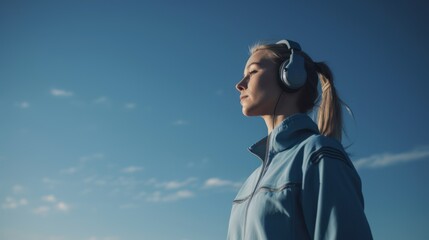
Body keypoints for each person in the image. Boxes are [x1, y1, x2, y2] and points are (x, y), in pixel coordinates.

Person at [227, 39, 373, 240]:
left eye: (252, 72)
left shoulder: (318, 154)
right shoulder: (249, 183)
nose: (239, 85)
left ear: (290, 75)